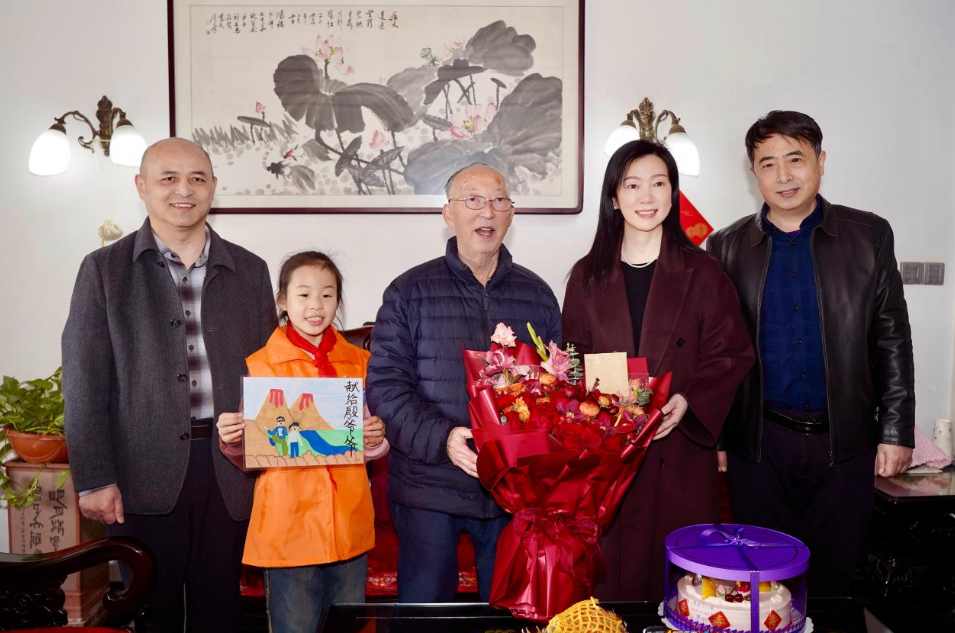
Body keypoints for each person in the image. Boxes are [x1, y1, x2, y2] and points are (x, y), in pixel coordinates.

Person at [62, 138, 277, 632]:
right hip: (141, 469)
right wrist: (94, 477)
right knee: (152, 610)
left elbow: (271, 375)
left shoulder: (250, 270)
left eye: (197, 179)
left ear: (213, 188)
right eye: (169, 179)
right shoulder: (104, 270)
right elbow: (84, 381)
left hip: (230, 468)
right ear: (142, 187)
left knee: (220, 610)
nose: (185, 190)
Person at [706, 110, 915, 596]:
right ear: (753, 173)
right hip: (760, 445)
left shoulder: (869, 236)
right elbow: (718, 353)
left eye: (795, 159)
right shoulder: (726, 247)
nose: (783, 175)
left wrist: (896, 431)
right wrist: (717, 437)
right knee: (763, 585)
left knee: (834, 583)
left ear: (820, 162)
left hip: (845, 443)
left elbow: (892, 338)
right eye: (768, 163)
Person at [561, 140, 754, 601]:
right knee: (613, 593)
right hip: (611, 462)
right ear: (614, 197)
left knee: (682, 591)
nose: (646, 197)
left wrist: (687, 401)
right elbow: (571, 362)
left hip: (680, 454)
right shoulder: (587, 276)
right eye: (632, 185)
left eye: (659, 184)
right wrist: (599, 409)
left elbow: (731, 355)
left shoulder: (703, 272)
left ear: (673, 194)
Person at [366, 163, 562, 602]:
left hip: (511, 491)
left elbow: (555, 389)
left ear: (511, 214)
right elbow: (386, 388)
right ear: (448, 214)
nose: (486, 212)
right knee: (427, 619)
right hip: (428, 484)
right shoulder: (408, 291)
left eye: (498, 201)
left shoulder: (538, 295)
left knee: (506, 618)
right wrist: (445, 438)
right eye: (472, 200)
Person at [216, 251, 389, 633]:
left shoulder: (360, 362)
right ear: (282, 301)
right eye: (304, 294)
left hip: (348, 523)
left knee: (347, 627)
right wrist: (233, 439)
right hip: (288, 528)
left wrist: (375, 439)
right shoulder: (261, 365)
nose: (316, 305)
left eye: (327, 295)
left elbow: (368, 443)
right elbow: (253, 453)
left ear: (338, 301)